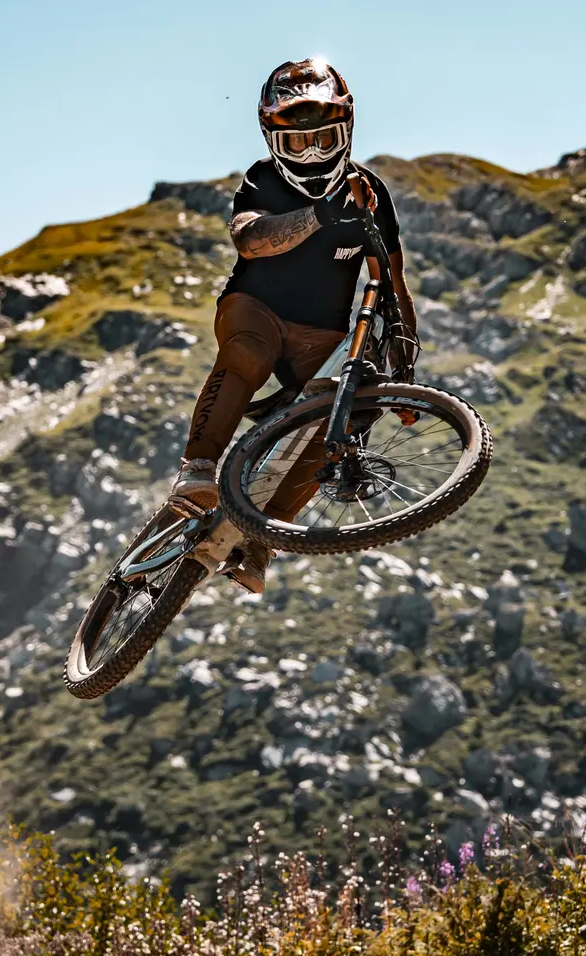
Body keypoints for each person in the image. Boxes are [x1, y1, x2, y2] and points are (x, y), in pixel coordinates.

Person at [168, 58, 418, 593]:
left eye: (324, 140)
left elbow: (392, 282)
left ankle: (260, 536)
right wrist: (321, 216)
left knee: (356, 402)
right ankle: (197, 469)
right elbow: (250, 240)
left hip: (318, 337)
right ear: (271, 141)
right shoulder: (261, 178)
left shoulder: (371, 193)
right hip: (254, 308)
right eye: (296, 144)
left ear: (346, 133)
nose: (312, 154)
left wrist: (406, 367)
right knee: (249, 351)